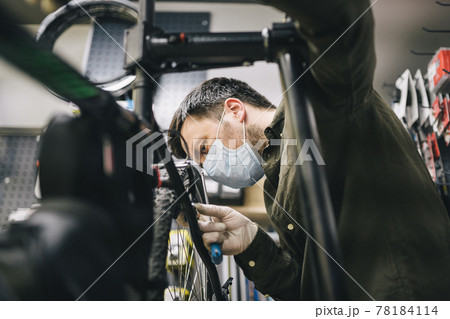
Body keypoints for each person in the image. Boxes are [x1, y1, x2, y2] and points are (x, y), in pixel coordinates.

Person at [168, 0, 450, 300]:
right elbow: (305, 291)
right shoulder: (274, 184)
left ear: (235, 110)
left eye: (205, 149)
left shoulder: (317, 102)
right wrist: (250, 242)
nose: (209, 167)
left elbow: (340, 19)